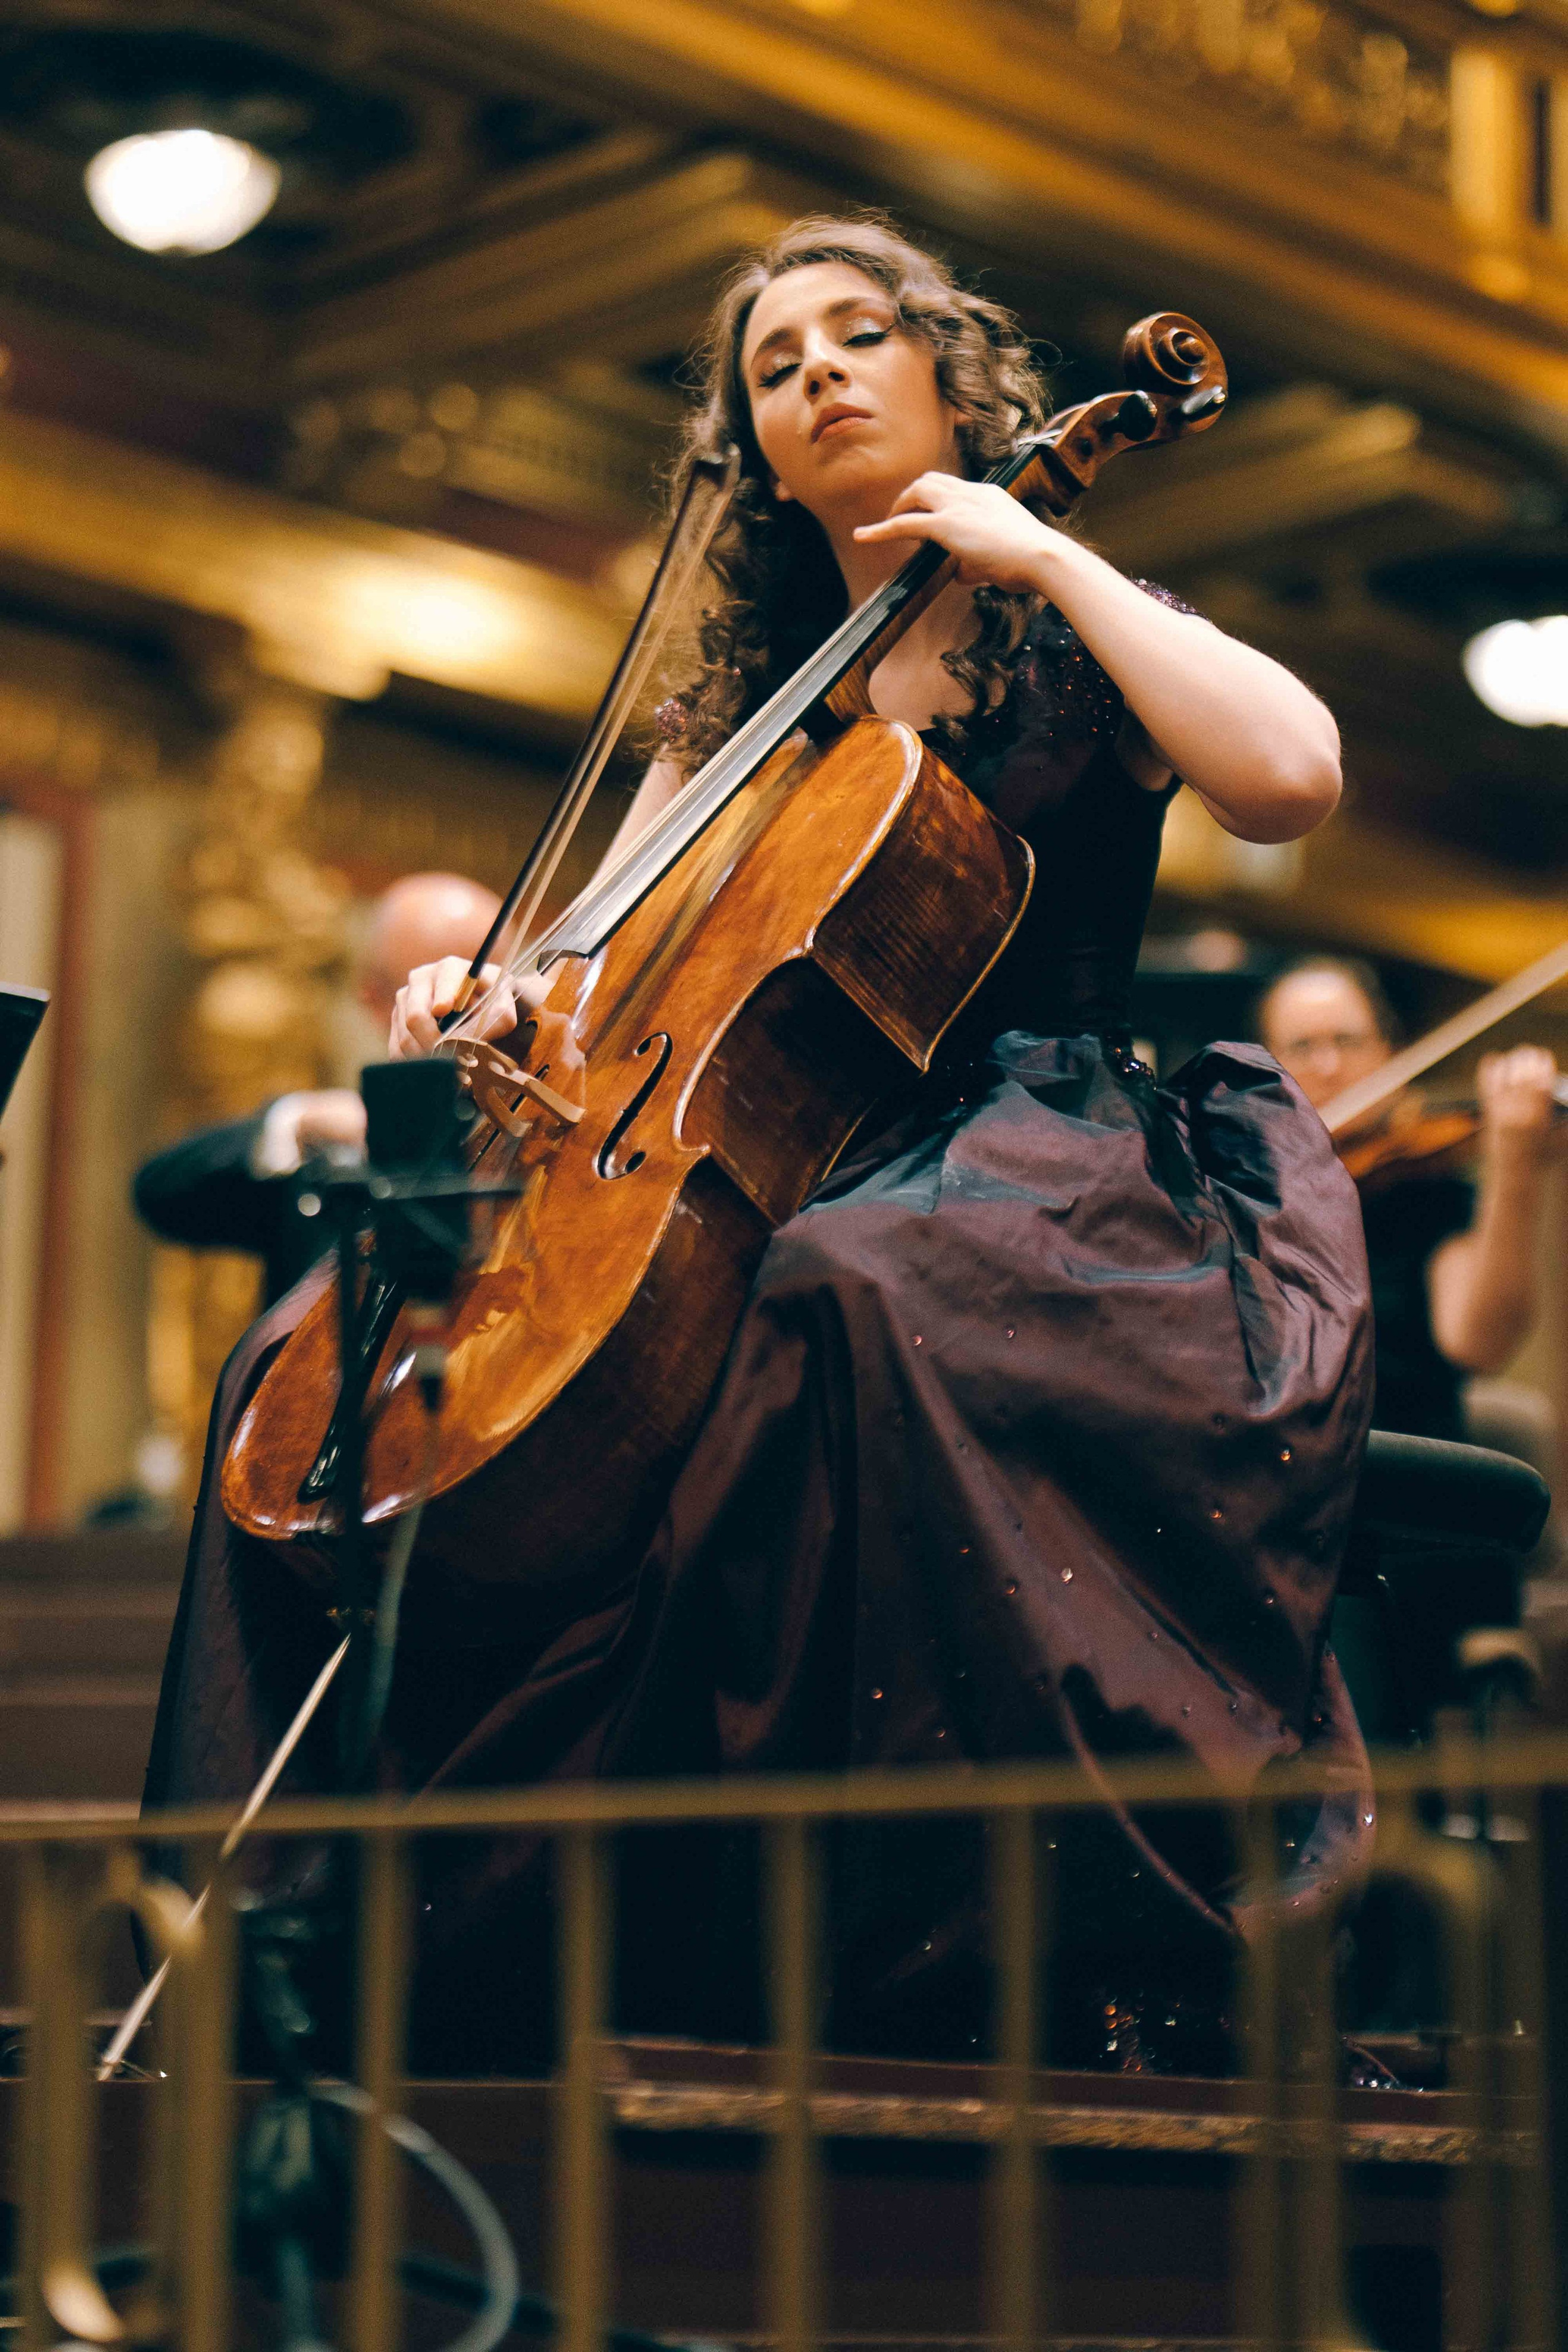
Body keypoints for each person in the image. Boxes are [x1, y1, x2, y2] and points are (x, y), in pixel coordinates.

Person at [145, 217, 1372, 2077]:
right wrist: (495, 1007)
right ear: (756, 451)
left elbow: (1292, 775)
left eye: (855, 335)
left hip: (1036, 1149)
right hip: (766, 1140)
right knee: (322, 1341)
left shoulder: (1064, 628)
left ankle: (865, 1955)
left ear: (946, 374)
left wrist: (1047, 546)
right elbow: (601, 972)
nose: (815, 375)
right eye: (772, 365)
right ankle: (291, 1936)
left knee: (835, 1296)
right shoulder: (741, 708)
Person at [133, 873, 501, 1303]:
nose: (482, 1014)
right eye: (439, 998)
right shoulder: (331, 1153)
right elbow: (161, 1192)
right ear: (373, 998)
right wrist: (298, 1121)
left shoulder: (531, 1135)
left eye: (492, 988)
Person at [1257, 956, 1562, 1442]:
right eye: (1302, 1047)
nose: (1329, 1066)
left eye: (1348, 1041)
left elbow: (1480, 1344)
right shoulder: (1238, 1191)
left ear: (1391, 1054)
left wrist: (1514, 1162)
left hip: (1402, 1459)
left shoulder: (1427, 1190)